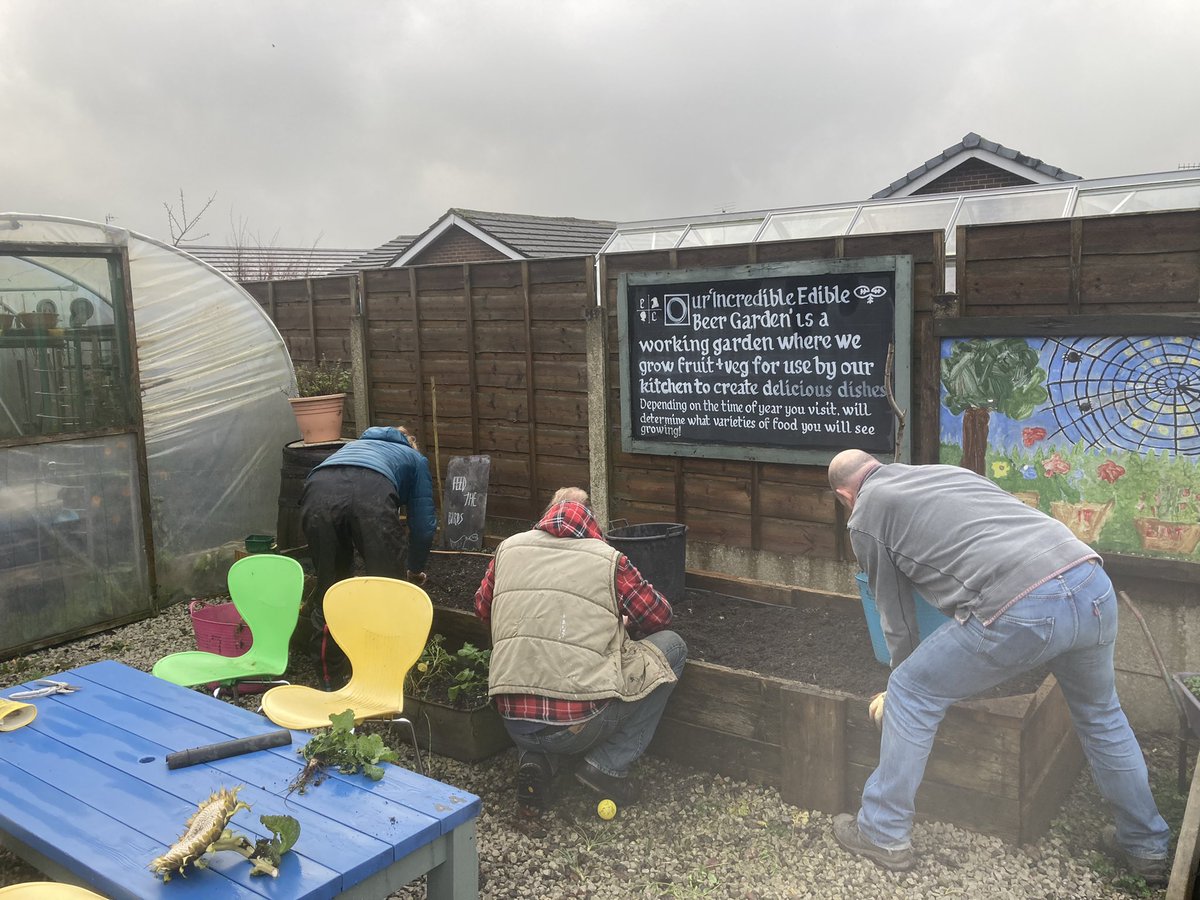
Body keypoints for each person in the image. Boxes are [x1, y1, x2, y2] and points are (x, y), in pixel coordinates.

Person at [826, 449, 1170, 882]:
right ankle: (1146, 844)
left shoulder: (866, 515)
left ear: (845, 494)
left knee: (913, 690)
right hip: (1090, 580)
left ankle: (881, 831)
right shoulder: (942, 473)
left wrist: (903, 675)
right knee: (1101, 715)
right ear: (877, 466)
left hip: (1023, 605)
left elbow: (895, 614)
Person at [474, 487, 687, 814]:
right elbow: (659, 616)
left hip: (512, 720)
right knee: (673, 647)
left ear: (546, 512)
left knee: (539, 677)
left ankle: (536, 759)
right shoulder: (609, 560)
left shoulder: (507, 549)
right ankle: (607, 765)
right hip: (579, 726)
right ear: (593, 518)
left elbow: (482, 608)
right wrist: (613, 621)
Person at [301, 425, 436, 681]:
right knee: (387, 589)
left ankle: (329, 680)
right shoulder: (415, 458)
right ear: (411, 443)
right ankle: (383, 675)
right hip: (371, 492)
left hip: (318, 490)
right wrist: (414, 568)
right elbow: (423, 526)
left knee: (331, 588)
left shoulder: (351, 447)